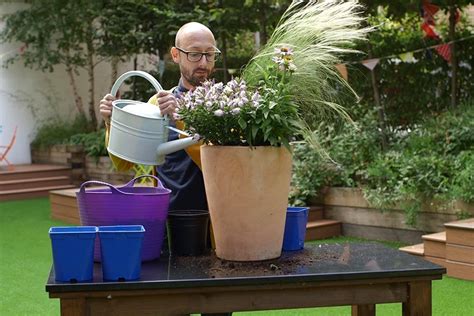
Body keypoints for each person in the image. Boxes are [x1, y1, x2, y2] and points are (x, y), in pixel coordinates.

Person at [99, 22, 231, 316]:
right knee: (173, 307)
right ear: (176, 55)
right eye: (195, 55)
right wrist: (112, 124)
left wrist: (181, 117)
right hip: (168, 223)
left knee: (218, 307)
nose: (204, 63)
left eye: (210, 55)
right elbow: (124, 162)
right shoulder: (156, 103)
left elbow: (223, 161)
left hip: (217, 224)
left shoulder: (229, 104)